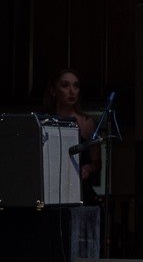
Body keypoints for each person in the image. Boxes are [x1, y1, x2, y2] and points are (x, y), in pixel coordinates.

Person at [43, 68, 101, 204]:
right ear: (53, 91)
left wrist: (88, 168)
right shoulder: (44, 120)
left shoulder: (86, 123)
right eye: (65, 85)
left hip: (80, 191)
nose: (72, 91)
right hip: (50, 191)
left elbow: (97, 163)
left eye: (76, 86)